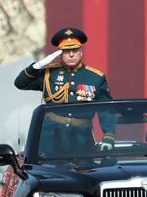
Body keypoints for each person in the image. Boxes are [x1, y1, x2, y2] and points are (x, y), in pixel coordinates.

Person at [14, 27, 116, 155]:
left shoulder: (95, 77)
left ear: (81, 52)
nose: (71, 54)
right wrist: (38, 65)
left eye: (75, 50)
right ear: (60, 53)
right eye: (67, 51)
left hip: (82, 139)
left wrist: (109, 136)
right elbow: (20, 83)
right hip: (50, 139)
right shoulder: (49, 74)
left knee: (84, 171)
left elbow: (106, 109)